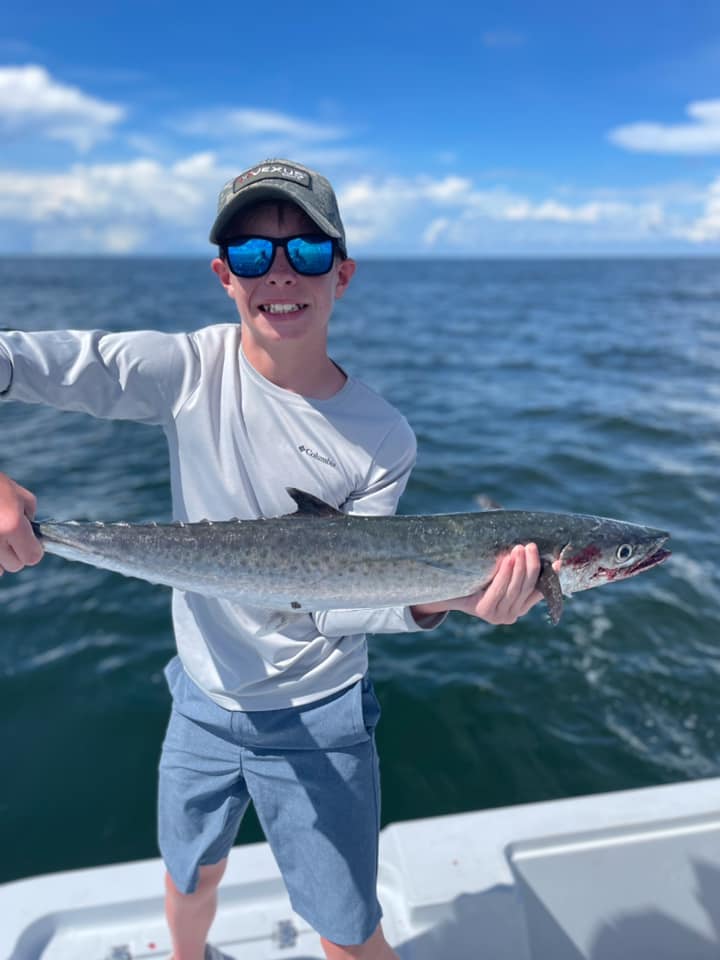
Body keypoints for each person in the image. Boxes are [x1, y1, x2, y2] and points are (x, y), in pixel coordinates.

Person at [0, 159, 545, 960]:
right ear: (225, 275)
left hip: (323, 715)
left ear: (343, 274)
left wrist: (451, 601)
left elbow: (339, 597)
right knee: (189, 880)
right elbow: (23, 359)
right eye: (254, 255)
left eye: (308, 254)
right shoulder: (186, 369)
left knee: (349, 930)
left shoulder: (383, 435)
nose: (280, 274)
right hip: (199, 697)